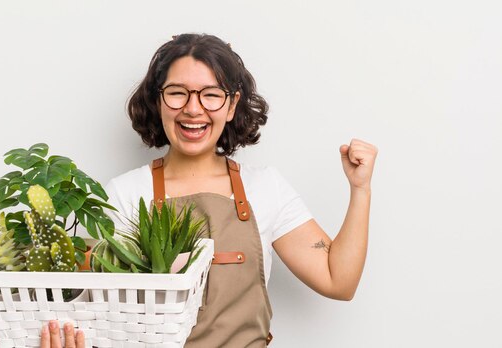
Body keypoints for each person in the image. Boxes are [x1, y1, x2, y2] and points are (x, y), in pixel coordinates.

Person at [42, 33, 378, 348]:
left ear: (232, 105)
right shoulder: (124, 194)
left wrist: (360, 189)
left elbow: (339, 281)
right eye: (177, 92)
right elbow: (92, 314)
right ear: (158, 101)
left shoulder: (265, 188)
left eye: (211, 95)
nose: (193, 108)